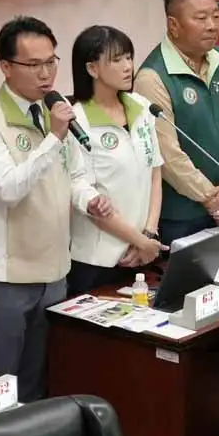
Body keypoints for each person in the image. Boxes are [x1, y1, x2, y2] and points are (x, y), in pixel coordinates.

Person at [0, 16, 75, 398]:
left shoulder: (52, 109)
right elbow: (10, 188)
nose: (46, 74)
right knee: (1, 384)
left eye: (52, 61)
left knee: (38, 378)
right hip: (8, 274)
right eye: (34, 65)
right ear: (6, 67)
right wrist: (54, 139)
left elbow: (68, 175)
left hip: (55, 267)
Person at [134, 0, 219, 243]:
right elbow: (168, 156)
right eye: (201, 18)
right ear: (174, 25)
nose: (212, 25)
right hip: (182, 217)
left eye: (216, 16)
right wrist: (212, 199)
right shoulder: (152, 77)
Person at [66, 25, 166, 295]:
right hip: (99, 260)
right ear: (91, 69)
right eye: (117, 59)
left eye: (129, 58)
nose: (127, 66)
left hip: (143, 252)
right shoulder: (77, 122)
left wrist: (149, 234)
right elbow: (87, 197)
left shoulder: (141, 107)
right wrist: (138, 241)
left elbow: (155, 171)